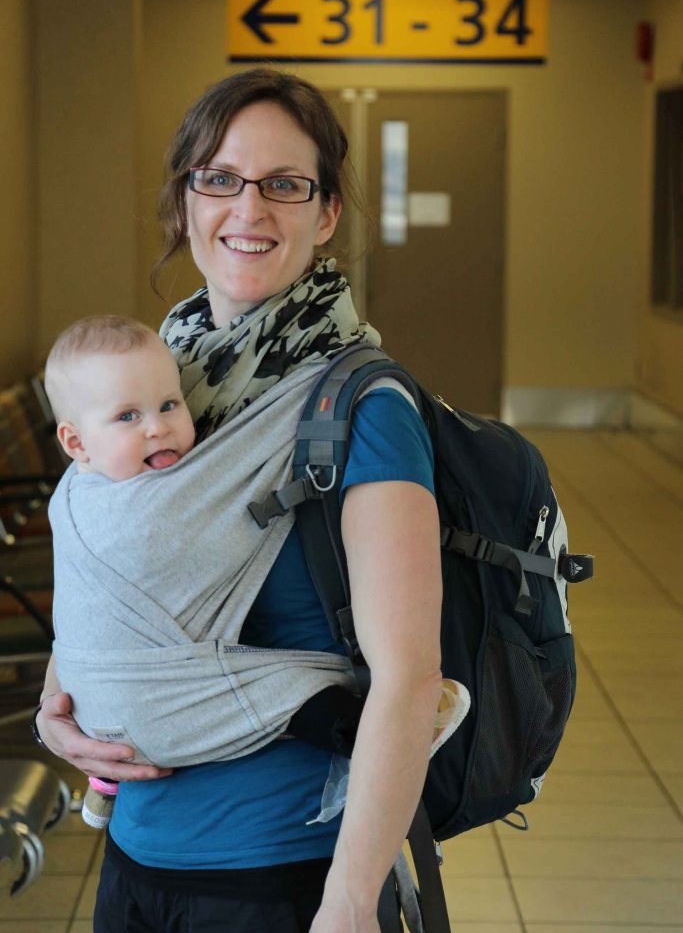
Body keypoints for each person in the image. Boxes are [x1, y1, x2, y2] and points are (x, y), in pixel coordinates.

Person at [35, 68, 450, 933]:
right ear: (185, 201)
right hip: (140, 868)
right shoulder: (153, 386)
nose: (246, 207)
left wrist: (348, 912)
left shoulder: (361, 407)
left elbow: (410, 679)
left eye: (284, 183)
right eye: (218, 178)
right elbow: (113, 581)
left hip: (276, 881)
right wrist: (66, 714)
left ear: (327, 212)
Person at [45, 315, 465, 823]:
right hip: (120, 758)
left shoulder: (354, 397)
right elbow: (83, 604)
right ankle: (105, 782)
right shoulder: (79, 498)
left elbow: (407, 669)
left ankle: (379, 736)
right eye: (127, 417)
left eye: (169, 405)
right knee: (281, 690)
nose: (158, 427)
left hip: (269, 833)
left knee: (291, 697)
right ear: (76, 444)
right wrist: (56, 705)